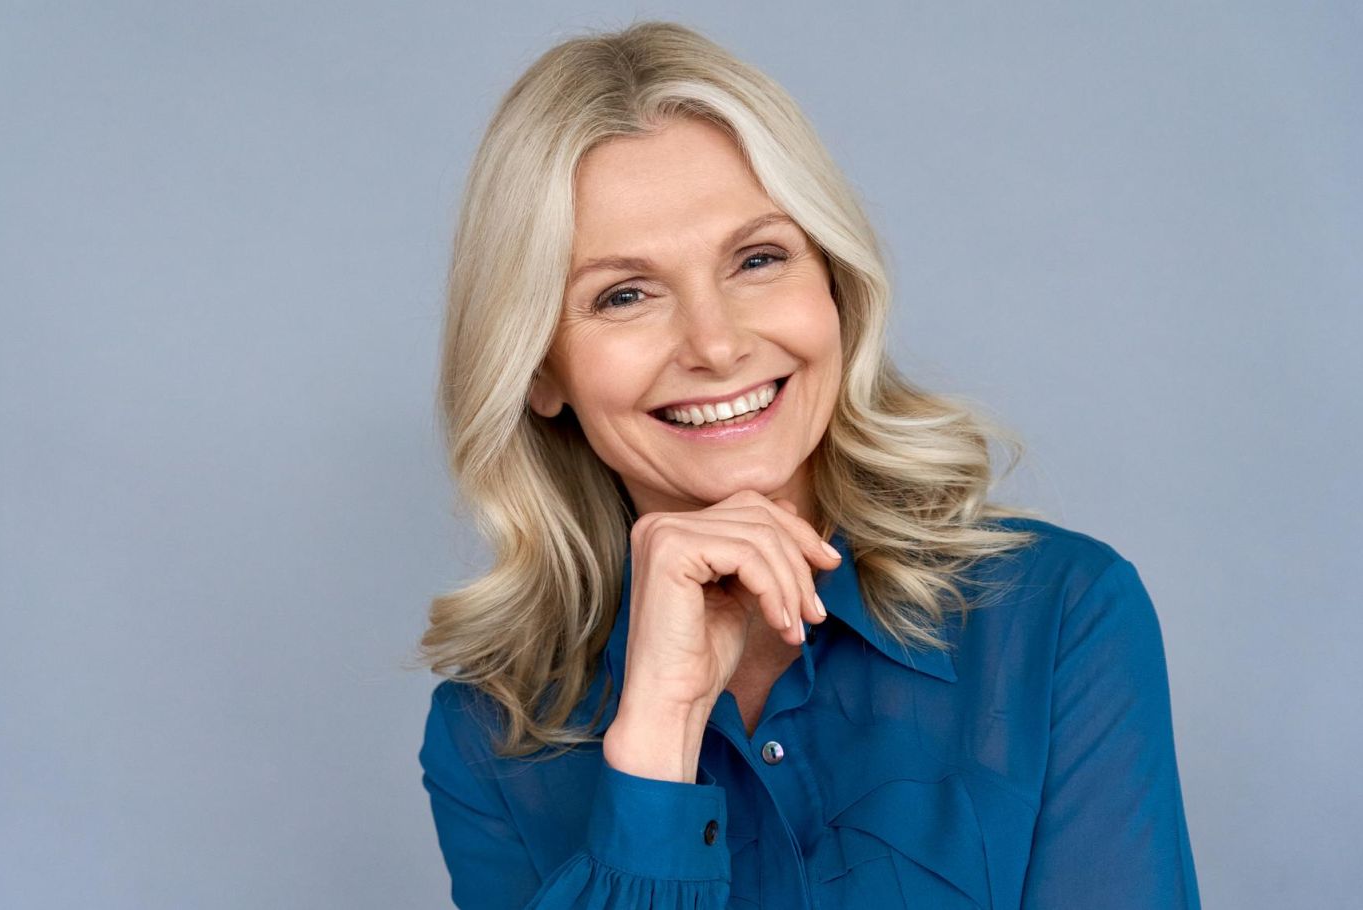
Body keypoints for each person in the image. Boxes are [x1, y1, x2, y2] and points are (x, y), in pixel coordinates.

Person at [415, 19, 1200, 910]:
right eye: (624, 294)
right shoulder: (491, 739)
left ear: (834, 285)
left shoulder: (1057, 619)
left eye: (758, 258)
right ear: (539, 368)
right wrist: (659, 739)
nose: (714, 344)